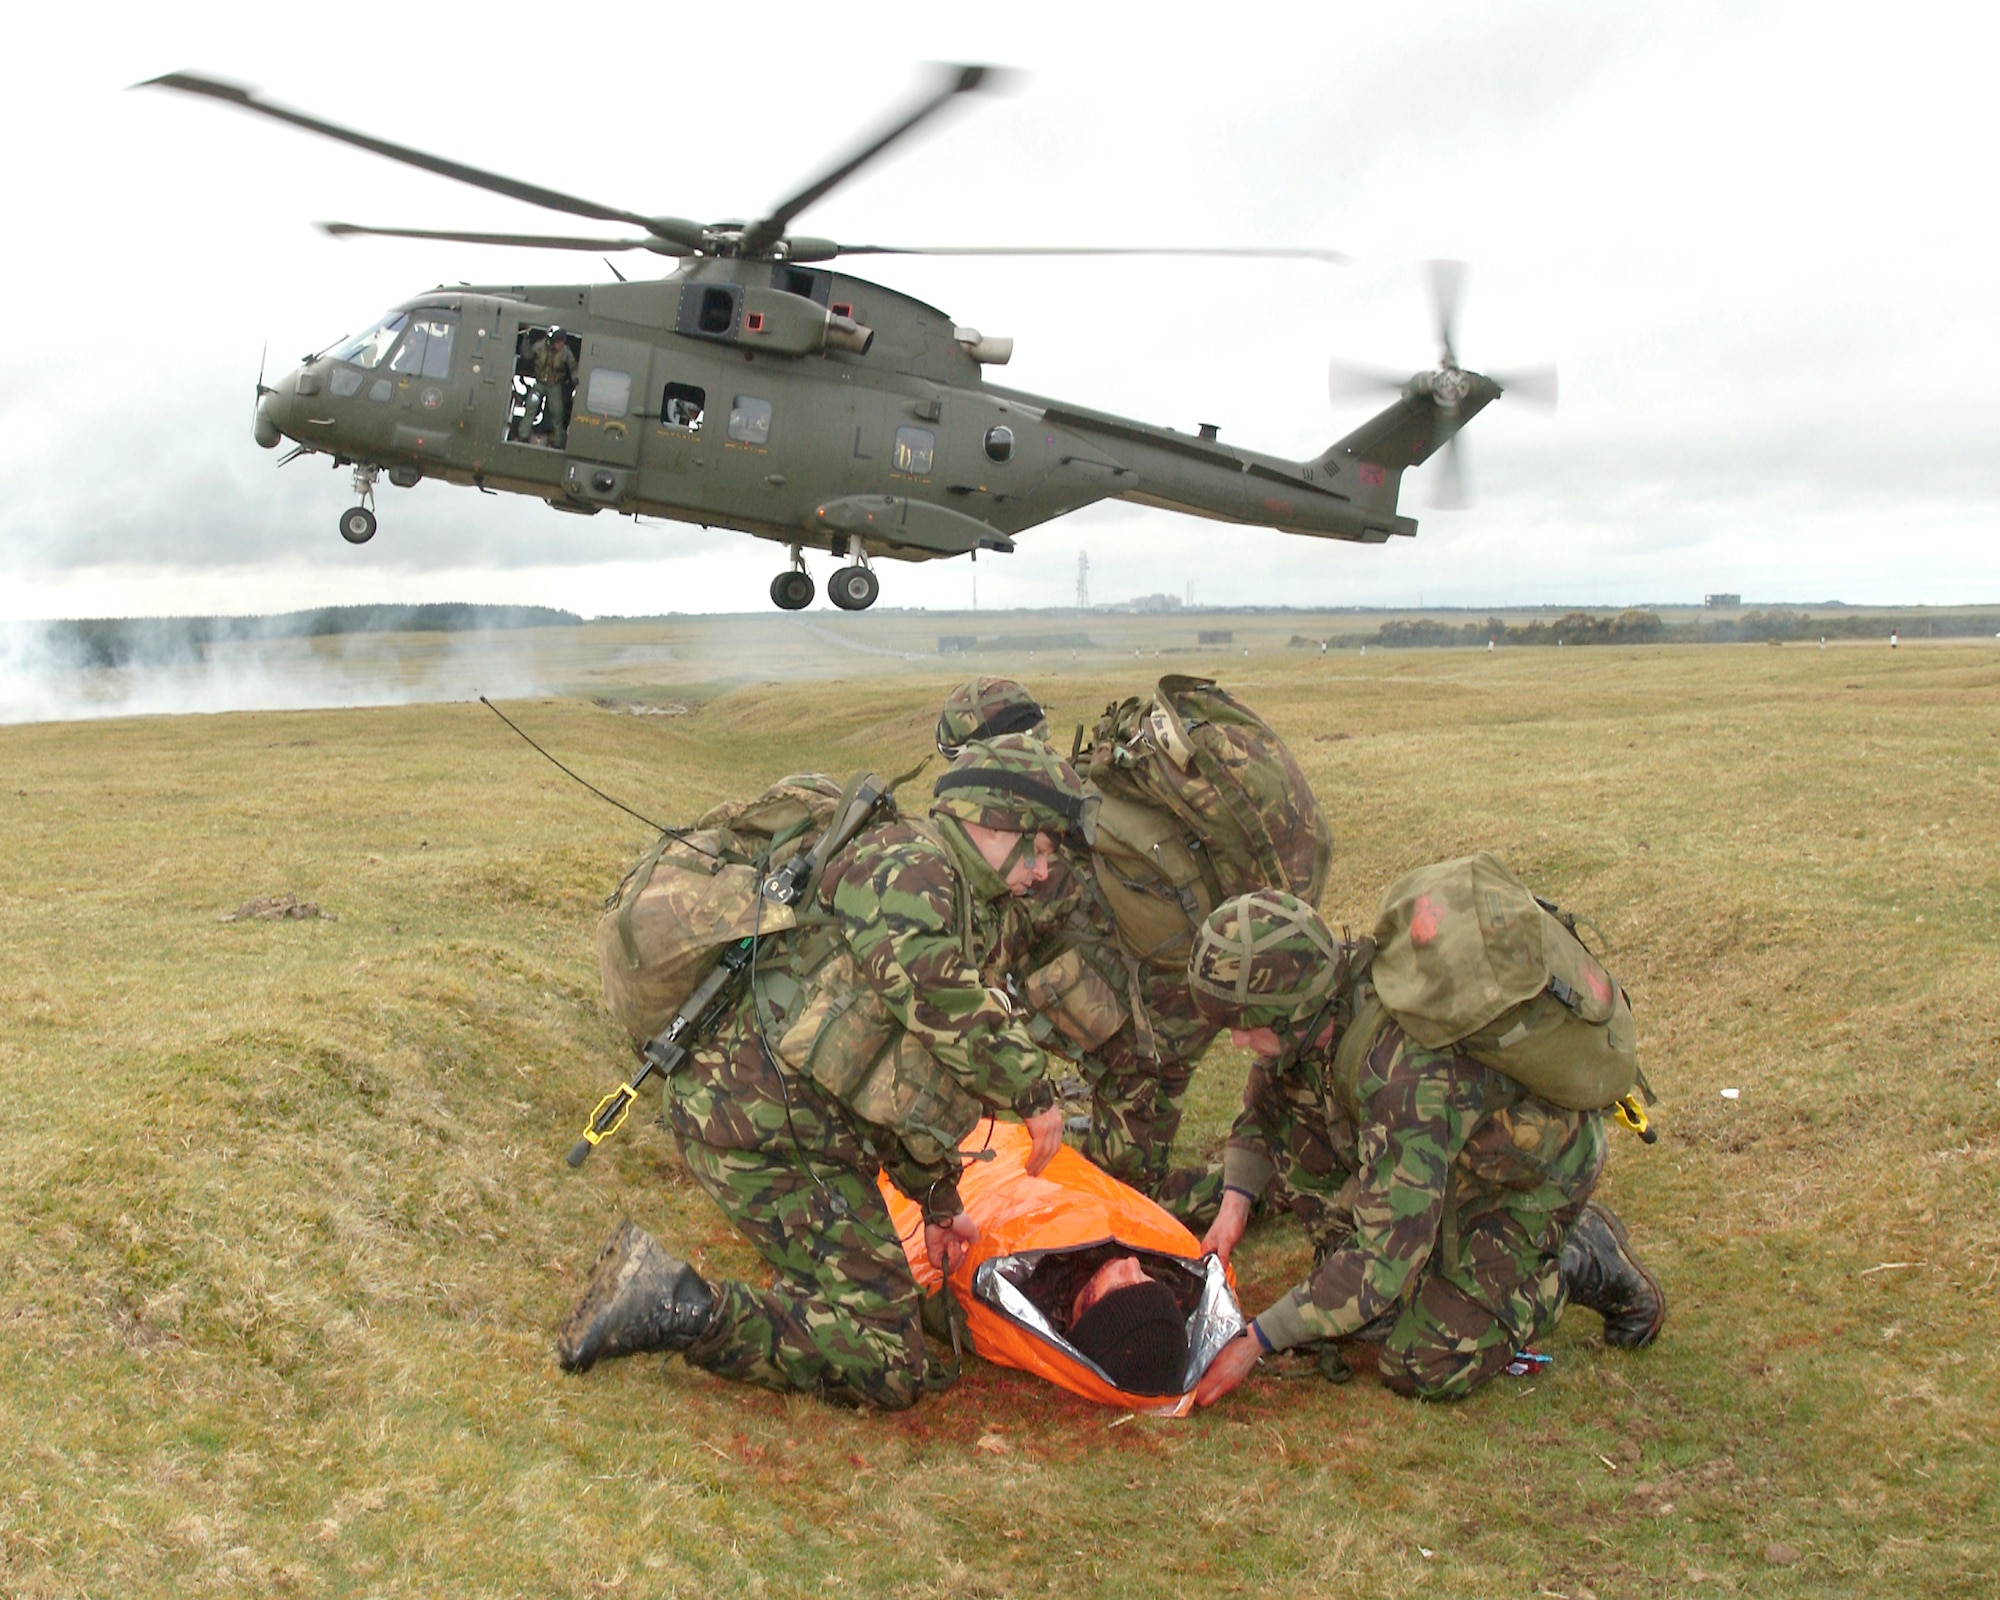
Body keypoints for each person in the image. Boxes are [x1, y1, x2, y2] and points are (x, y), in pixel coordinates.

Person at [556, 736, 1093, 1409]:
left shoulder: (953, 896)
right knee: (889, 1361)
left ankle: (793, 1299)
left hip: (797, 1123)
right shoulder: (909, 866)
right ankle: (670, 1303)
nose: (1044, 871)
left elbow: (895, 1078)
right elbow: (934, 992)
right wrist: (1033, 1090)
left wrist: (938, 1201)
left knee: (883, 1331)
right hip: (756, 1129)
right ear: (992, 823)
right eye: (1039, 849)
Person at [1184, 890, 1665, 1406]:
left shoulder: (1402, 1079)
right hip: (1455, 1151)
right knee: (1297, 1107)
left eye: (1245, 1025)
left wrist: (1256, 1340)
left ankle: (1576, 1255)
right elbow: (1265, 1107)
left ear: (1289, 1014)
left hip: (1530, 1179)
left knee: (1424, 1362)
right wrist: (1233, 1207)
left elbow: (1380, 1263)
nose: (1237, 1041)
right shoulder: (1330, 998)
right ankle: (1382, 1278)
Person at [936, 676, 1228, 1226]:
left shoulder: (1033, 857)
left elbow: (973, 995)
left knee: (1122, 1202)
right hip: (1163, 1010)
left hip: (1145, 1048)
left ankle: (1257, 1186)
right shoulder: (1077, 797)